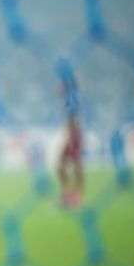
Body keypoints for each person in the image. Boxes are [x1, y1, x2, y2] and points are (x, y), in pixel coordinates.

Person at [56, 61, 83, 208]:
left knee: (66, 164)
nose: (58, 87)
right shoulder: (71, 96)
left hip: (73, 134)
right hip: (73, 133)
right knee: (72, 164)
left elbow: (72, 118)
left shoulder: (69, 98)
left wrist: (71, 138)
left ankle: (73, 195)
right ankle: (71, 194)